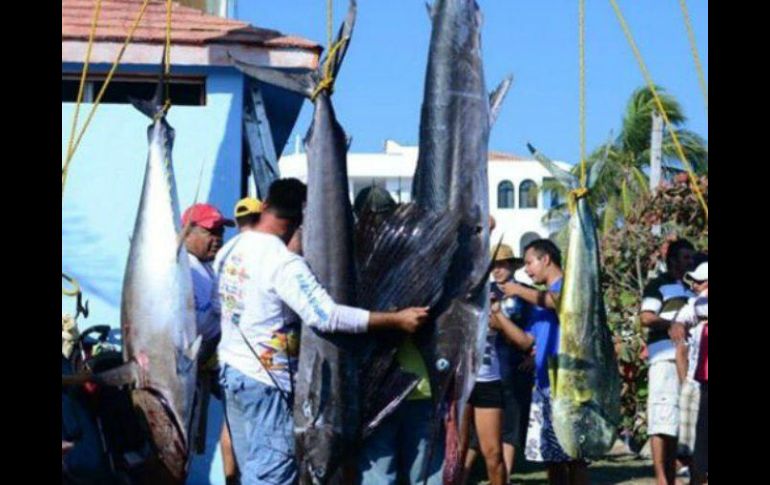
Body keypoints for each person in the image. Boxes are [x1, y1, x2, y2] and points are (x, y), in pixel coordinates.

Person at [213, 178, 430, 485]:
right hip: (265, 381)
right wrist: (395, 320)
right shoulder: (283, 263)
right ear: (299, 220)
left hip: (232, 373)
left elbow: (218, 304)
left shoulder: (230, 249)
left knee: (252, 465)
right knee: (272, 471)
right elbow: (326, 316)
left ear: (264, 205)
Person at [354, 185, 444, 485]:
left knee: (423, 476)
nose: (378, 226)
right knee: (381, 477)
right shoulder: (351, 260)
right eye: (373, 219)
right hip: (375, 392)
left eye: (383, 219)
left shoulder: (415, 256)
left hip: (419, 387)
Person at [495, 239, 588, 485]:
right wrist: (498, 317)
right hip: (545, 384)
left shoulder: (569, 285)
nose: (526, 270)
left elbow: (562, 302)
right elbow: (526, 341)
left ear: (545, 259)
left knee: (575, 457)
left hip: (570, 385)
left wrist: (518, 290)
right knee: (552, 458)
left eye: (529, 263)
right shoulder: (535, 301)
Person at [462, 243, 531, 485]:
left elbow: (525, 339)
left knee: (494, 453)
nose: (495, 269)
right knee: (458, 452)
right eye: (492, 265)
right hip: (460, 380)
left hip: (493, 376)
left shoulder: (516, 295)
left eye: (502, 264)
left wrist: (498, 317)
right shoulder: (463, 291)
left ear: (512, 265)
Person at [640, 239, 695, 485]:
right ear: (672, 259)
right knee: (660, 419)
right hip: (663, 357)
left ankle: (672, 477)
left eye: (690, 258)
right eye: (685, 257)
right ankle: (661, 479)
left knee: (677, 421)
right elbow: (646, 316)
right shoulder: (657, 285)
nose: (689, 262)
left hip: (687, 360)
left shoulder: (690, 288)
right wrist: (671, 324)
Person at [673, 260, 708, 484]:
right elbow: (679, 322)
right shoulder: (696, 304)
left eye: (699, 281)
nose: (694, 285)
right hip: (703, 380)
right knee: (699, 443)